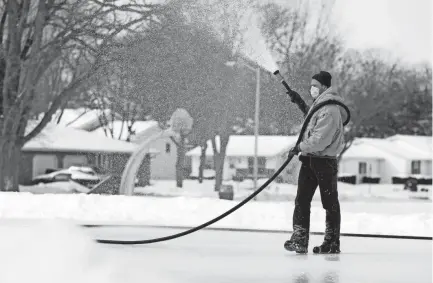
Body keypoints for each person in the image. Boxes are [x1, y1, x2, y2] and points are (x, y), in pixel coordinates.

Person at [284, 71, 347, 254]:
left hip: (324, 162)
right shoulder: (320, 106)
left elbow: (320, 140)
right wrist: (300, 102)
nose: (312, 88)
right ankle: (300, 239)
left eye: (315, 86)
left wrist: (299, 147)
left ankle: (332, 242)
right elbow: (311, 121)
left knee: (329, 203)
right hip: (311, 159)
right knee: (302, 200)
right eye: (311, 85)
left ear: (325, 87)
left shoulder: (330, 109)